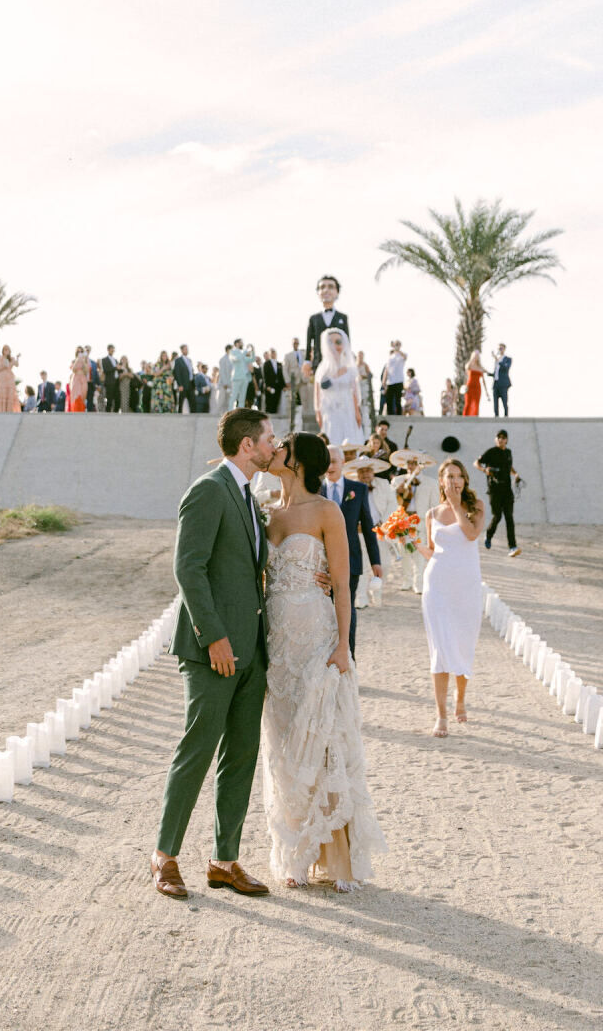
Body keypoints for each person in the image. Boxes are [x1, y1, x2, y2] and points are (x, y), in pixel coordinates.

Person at [151, 408, 277, 901]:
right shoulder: (207, 491)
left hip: (253, 649)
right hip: (214, 650)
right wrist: (214, 636)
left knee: (241, 755)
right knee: (197, 749)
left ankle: (224, 860)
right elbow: (189, 569)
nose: (274, 446)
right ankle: (164, 856)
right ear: (248, 446)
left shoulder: (248, 496)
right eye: (269, 438)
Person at [262, 432, 386, 889]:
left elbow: (341, 581)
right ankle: (296, 853)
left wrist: (341, 645)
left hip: (316, 638)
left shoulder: (326, 511)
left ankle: (334, 855)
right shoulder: (267, 513)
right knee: (283, 743)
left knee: (324, 739)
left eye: (281, 448)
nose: (273, 451)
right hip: (276, 646)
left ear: (298, 461)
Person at [415, 458, 485, 738]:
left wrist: (457, 505)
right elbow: (434, 550)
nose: (455, 480)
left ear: (465, 480)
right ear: (441, 481)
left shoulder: (476, 507)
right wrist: (412, 543)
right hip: (438, 586)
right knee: (440, 650)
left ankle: (460, 698)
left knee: (463, 645)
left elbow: (470, 534)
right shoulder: (431, 513)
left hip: (466, 586)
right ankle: (441, 714)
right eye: (449, 476)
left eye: (459, 476)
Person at [321, 445, 381, 660]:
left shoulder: (358, 489)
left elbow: (367, 526)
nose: (330, 466)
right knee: (324, 611)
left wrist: (376, 561)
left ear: (343, 463)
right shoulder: (315, 490)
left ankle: (349, 656)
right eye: (326, 461)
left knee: (347, 609)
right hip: (322, 562)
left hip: (351, 560)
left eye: (334, 461)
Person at [345, 456, 395, 608]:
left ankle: (377, 594)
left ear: (373, 472)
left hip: (379, 530)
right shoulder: (352, 488)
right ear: (357, 473)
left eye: (368, 470)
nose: (365, 474)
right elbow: (347, 509)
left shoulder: (384, 484)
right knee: (361, 566)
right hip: (359, 533)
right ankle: (361, 598)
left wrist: (384, 524)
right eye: (362, 471)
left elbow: (393, 505)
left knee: (383, 564)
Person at [390, 453, 440, 594]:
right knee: (404, 551)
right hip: (402, 520)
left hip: (420, 520)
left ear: (420, 465)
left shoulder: (431, 483)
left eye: (414, 463)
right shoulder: (397, 481)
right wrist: (396, 491)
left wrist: (433, 525)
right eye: (409, 463)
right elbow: (389, 500)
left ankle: (418, 583)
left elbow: (434, 506)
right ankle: (406, 580)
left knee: (419, 552)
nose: (411, 466)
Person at [475, 429, 523, 556]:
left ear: (506, 440)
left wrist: (515, 474)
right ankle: (489, 535)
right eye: (499, 437)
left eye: (503, 437)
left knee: (509, 517)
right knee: (497, 516)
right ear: (495, 439)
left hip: (507, 490)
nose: (501, 439)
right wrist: (485, 470)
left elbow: (509, 466)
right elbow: (476, 463)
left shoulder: (508, 452)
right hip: (494, 490)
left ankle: (512, 547)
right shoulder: (491, 452)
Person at [314, 328, 362, 446]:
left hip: (347, 409)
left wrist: (357, 412)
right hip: (329, 410)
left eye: (338, 342)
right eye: (330, 342)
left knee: (350, 439)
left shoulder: (350, 369)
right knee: (332, 439)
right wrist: (318, 413)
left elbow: (354, 392)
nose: (335, 345)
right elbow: (317, 393)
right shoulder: (322, 369)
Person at [305, 275, 349, 368]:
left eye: (331, 287)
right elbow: (309, 342)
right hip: (319, 365)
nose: (326, 290)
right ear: (318, 292)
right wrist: (307, 361)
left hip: (339, 365)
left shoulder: (343, 317)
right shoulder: (313, 318)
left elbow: (347, 341)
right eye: (322, 287)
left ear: (337, 292)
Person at [462, 350, 489, 417]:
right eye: (475, 355)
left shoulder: (480, 367)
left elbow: (483, 381)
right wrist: (472, 359)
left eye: (477, 356)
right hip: (469, 386)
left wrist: (486, 393)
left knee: (476, 404)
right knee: (468, 403)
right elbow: (466, 367)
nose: (476, 357)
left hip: (477, 387)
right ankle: (465, 419)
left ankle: (475, 419)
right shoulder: (470, 365)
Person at [0, 345, 19, 413]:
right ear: (3, 351)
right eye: (5, 349)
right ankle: (1, 411)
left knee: (10, 394)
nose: (6, 351)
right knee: (1, 394)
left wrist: (17, 358)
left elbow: (17, 364)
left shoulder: (11, 358)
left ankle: (9, 411)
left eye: (8, 349)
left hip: (9, 379)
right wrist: (3, 367)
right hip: (1, 379)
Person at [383, 341, 407, 416]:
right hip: (390, 381)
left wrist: (398, 350)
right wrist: (384, 380)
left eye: (397, 344)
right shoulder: (390, 356)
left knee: (398, 400)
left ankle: (399, 415)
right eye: (395, 345)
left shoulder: (402, 355)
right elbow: (387, 369)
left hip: (399, 380)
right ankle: (390, 415)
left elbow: (405, 357)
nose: (396, 346)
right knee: (389, 400)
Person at [228, 340, 252, 409]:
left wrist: (252, 351)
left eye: (242, 342)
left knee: (242, 397)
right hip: (236, 377)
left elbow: (251, 360)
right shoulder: (232, 352)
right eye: (240, 342)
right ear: (236, 344)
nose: (242, 344)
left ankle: (240, 412)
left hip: (244, 378)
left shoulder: (243, 353)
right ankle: (230, 411)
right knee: (234, 396)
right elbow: (236, 359)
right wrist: (244, 352)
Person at [173, 344, 196, 413]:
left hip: (191, 383)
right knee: (181, 402)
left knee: (192, 401)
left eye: (187, 349)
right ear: (182, 350)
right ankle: (179, 415)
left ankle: (193, 416)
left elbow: (191, 371)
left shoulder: (189, 360)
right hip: (183, 384)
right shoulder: (178, 360)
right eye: (185, 349)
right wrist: (180, 385)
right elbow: (177, 373)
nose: (187, 350)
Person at [492, 343, 512, 417]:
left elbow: (506, 368)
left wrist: (498, 360)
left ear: (504, 349)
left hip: (503, 384)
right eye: (499, 348)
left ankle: (506, 416)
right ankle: (496, 416)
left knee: (504, 401)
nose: (500, 350)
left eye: (501, 348)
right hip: (496, 384)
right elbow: (496, 373)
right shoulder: (497, 360)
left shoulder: (508, 359)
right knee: (495, 402)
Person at [262, 349, 285, 415]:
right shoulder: (266, 364)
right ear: (269, 354)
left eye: (274, 352)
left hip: (278, 387)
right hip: (270, 387)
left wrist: (283, 386)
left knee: (276, 403)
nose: (273, 354)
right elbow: (265, 376)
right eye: (272, 353)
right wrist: (267, 386)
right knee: (269, 404)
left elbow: (281, 376)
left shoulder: (279, 364)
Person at [69, 347, 89, 412]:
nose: (80, 353)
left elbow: (86, 371)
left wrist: (84, 360)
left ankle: (82, 410)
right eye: (78, 352)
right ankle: (75, 410)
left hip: (83, 379)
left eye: (81, 352)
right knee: (76, 395)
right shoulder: (74, 361)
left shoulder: (85, 360)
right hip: (75, 380)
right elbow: (73, 369)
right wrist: (77, 359)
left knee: (83, 394)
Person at [101, 345, 120, 412]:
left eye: (113, 349)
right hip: (109, 382)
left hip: (117, 382)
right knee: (109, 399)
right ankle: (108, 413)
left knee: (118, 399)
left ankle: (116, 413)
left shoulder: (115, 360)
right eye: (112, 349)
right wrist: (115, 368)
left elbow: (118, 370)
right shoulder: (104, 360)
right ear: (108, 349)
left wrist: (121, 369)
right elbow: (106, 370)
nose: (113, 351)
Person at [217, 345, 233, 412]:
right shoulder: (222, 359)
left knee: (229, 402)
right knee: (221, 401)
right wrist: (225, 384)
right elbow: (222, 372)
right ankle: (217, 415)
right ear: (227, 350)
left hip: (230, 384)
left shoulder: (232, 359)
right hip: (223, 385)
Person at [85, 346, 100, 413]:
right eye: (86, 350)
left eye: (88, 350)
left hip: (91, 383)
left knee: (90, 399)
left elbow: (96, 374)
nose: (87, 351)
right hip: (82, 383)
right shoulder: (80, 360)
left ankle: (89, 413)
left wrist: (99, 384)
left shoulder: (93, 363)